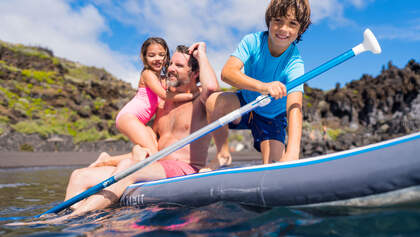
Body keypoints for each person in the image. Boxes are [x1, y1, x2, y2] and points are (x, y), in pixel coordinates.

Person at [62, 42, 219, 217]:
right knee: (79, 175)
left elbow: (211, 87)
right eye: (171, 63)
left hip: (184, 169)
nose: (171, 68)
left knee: (130, 167)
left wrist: (202, 54)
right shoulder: (162, 102)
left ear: (195, 73)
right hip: (155, 165)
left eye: (179, 65)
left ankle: (74, 216)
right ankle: (71, 225)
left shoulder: (201, 100)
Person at [202, 0, 311, 171]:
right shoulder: (252, 41)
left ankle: (280, 158)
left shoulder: (295, 63)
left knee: (273, 168)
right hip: (246, 104)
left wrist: (293, 152)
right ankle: (223, 154)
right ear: (269, 21)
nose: (284, 29)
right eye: (278, 21)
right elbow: (227, 73)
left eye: (292, 24)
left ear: (301, 29)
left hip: (272, 118)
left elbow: (294, 108)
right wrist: (264, 87)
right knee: (213, 101)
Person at [114, 37, 197, 156]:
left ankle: (109, 159)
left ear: (167, 56)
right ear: (145, 58)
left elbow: (179, 84)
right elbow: (165, 95)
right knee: (153, 153)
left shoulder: (163, 79)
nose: (157, 59)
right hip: (128, 118)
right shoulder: (147, 74)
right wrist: (191, 96)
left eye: (161, 55)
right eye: (152, 55)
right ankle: (111, 159)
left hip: (141, 123)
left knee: (153, 151)